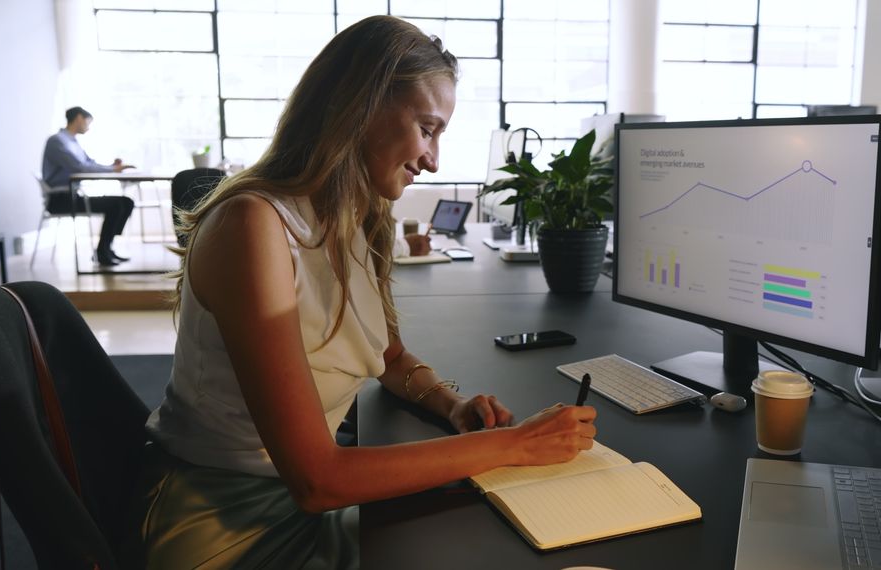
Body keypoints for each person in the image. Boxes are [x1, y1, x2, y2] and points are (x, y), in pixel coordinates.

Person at [130, 16, 597, 569]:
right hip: (230, 522)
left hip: (299, 499)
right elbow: (316, 481)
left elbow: (389, 358)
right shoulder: (253, 226)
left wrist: (453, 406)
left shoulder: (359, 215)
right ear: (360, 107)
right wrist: (517, 445)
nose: (433, 159)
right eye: (427, 129)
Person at [41, 106, 136, 266]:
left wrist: (111, 166)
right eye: (88, 122)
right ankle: (102, 252)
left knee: (126, 202)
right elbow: (79, 167)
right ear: (79, 118)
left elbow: (88, 163)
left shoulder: (72, 141)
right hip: (61, 200)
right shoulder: (57, 141)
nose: (88, 126)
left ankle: (105, 248)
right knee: (117, 205)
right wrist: (113, 170)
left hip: (74, 196)